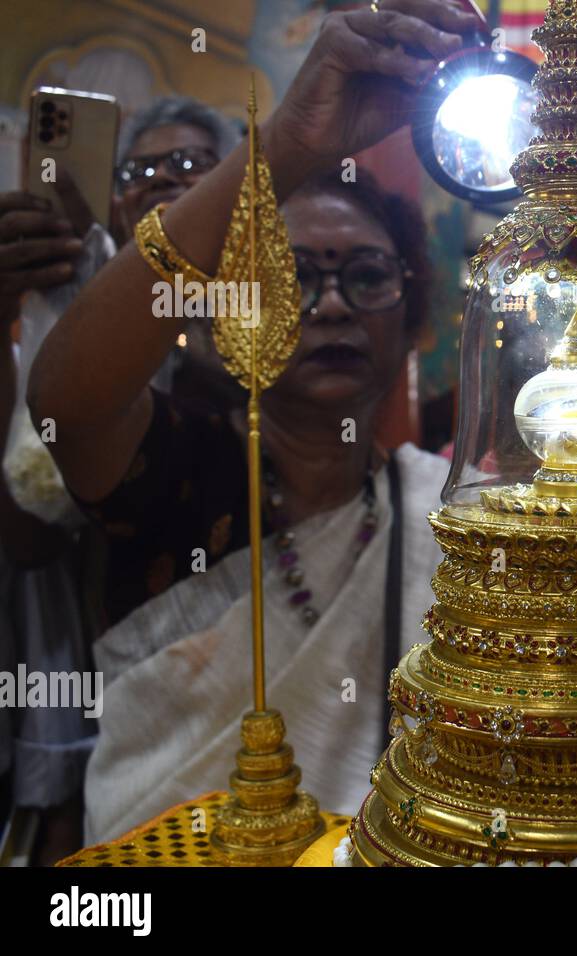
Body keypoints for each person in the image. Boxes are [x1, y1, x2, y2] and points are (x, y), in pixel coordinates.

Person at [26, 0, 481, 842]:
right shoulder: (176, 469)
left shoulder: (450, 511)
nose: (334, 305)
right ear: (224, 310)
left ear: (412, 312)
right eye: (298, 275)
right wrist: (288, 147)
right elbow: (65, 404)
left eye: (369, 276)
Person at [0, 95, 237, 862]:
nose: (166, 178)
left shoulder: (271, 306)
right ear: (116, 198)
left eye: (194, 164)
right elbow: (29, 530)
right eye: (141, 169)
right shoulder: (74, 317)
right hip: (96, 652)